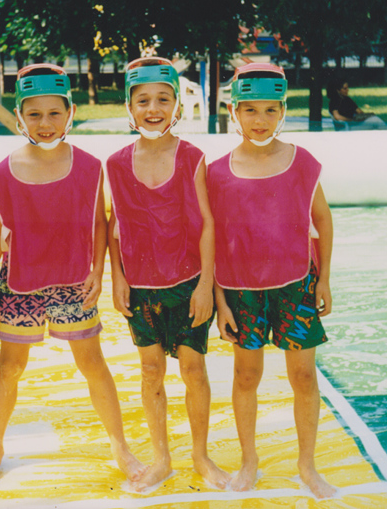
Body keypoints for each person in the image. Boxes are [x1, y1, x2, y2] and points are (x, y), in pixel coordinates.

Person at [0, 64, 145, 488]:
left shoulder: (89, 166)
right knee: (9, 366)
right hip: (19, 280)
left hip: (72, 280)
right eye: (34, 114)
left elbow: (99, 222)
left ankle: (119, 445)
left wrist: (98, 272)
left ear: (71, 113)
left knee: (93, 363)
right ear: (18, 117)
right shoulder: (1, 174)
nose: (44, 124)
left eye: (53, 113)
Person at [207, 63, 336, 500]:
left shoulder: (302, 163)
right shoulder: (217, 172)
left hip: (297, 284)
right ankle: (249, 460)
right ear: (233, 111)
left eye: (269, 110)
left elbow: (321, 219)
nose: (259, 120)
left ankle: (307, 464)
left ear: (283, 111)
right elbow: (214, 240)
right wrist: (220, 300)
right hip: (241, 289)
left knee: (303, 376)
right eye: (249, 110)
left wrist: (325, 280)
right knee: (246, 375)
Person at [106, 57, 230, 492]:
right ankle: (162, 458)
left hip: (186, 283)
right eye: (143, 100)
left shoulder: (191, 157)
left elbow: (208, 224)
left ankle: (200, 456)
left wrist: (205, 285)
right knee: (150, 370)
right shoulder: (116, 163)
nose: (153, 108)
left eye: (163, 99)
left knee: (194, 370)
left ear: (177, 106)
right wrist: (117, 277)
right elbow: (113, 224)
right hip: (140, 286)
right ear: (129, 107)